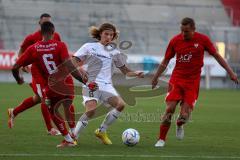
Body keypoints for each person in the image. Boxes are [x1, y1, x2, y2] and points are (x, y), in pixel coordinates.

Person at [152, 17, 239, 147]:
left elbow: (216, 55)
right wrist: (156, 77)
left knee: (184, 115)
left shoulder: (203, 40)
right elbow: (166, 60)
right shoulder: (175, 41)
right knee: (170, 108)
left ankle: (179, 124)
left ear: (193, 29)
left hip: (192, 82)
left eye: (186, 31)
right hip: (177, 79)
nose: (183, 34)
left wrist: (230, 72)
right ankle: (161, 139)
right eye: (182, 31)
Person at [11, 21, 88, 148]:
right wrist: (83, 80)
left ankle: (68, 139)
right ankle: (74, 133)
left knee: (53, 111)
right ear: (53, 32)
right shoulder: (60, 45)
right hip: (66, 83)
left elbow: (15, 67)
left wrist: (19, 79)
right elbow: (69, 65)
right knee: (68, 105)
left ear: (40, 32)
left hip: (51, 87)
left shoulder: (33, 48)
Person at [72, 23, 144, 145]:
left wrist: (136, 73)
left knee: (120, 105)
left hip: (106, 85)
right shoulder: (89, 46)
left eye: (111, 35)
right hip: (91, 83)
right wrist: (79, 68)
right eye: (106, 34)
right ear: (100, 34)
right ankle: (73, 138)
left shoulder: (115, 52)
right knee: (91, 111)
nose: (109, 37)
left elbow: (125, 71)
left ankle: (101, 131)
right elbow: (73, 61)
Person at [7, 13, 75, 135]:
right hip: (38, 73)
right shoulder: (32, 37)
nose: (46, 23)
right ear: (40, 23)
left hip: (52, 74)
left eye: (48, 21)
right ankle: (51, 129)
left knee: (38, 98)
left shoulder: (56, 36)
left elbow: (58, 53)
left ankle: (14, 112)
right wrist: (23, 64)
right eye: (44, 21)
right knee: (45, 98)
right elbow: (22, 50)